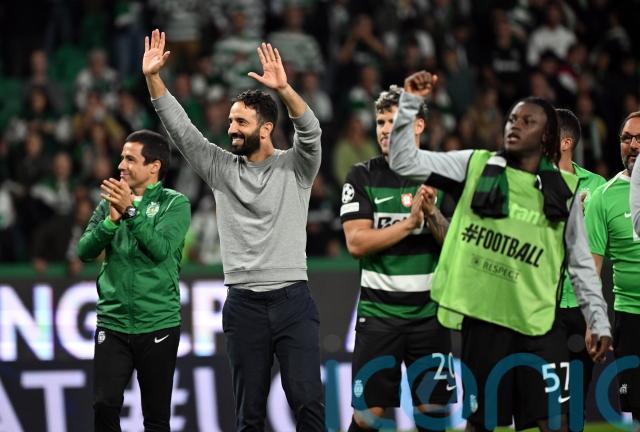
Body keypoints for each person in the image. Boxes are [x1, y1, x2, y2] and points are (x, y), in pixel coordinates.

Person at [389, 71, 611, 432]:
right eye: (512, 119)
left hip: (538, 323)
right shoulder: (475, 164)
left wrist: (598, 320)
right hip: (486, 322)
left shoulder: (561, 192)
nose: (515, 125)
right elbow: (403, 161)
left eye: (528, 121)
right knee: (482, 422)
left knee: (554, 421)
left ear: (547, 137)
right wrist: (410, 102)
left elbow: (581, 264)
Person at [142, 30, 324, 431]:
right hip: (243, 306)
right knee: (249, 416)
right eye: (230, 122)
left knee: (309, 404)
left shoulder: (296, 167)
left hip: (293, 301)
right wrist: (154, 79)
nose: (231, 129)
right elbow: (183, 131)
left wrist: (285, 89)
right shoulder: (221, 169)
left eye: (241, 121)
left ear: (266, 128)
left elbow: (311, 132)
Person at [340, 84, 455, 431]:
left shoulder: (443, 175)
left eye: (395, 122)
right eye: (380, 122)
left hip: (430, 317)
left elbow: (457, 246)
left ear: (418, 126)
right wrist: (409, 224)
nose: (385, 129)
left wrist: (432, 214)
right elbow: (356, 242)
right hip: (379, 318)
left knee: (432, 416)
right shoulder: (362, 175)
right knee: (367, 418)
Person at [77, 129, 191, 431]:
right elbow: (84, 251)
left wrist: (129, 211)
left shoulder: (174, 204)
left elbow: (160, 249)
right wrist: (110, 222)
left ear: (154, 166)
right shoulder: (108, 203)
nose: (121, 165)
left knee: (155, 417)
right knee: (104, 404)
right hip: (112, 322)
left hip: (158, 323)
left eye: (130, 159)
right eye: (122, 158)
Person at [555, 108, 606, 429]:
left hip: (581, 306)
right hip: (544, 305)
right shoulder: (530, 183)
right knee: (548, 400)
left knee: (576, 398)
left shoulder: (597, 186)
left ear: (566, 142)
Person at [590, 111, 640, 422]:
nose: (633, 145)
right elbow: (591, 269)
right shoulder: (602, 198)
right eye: (627, 138)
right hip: (630, 318)